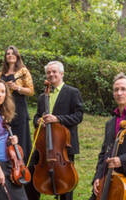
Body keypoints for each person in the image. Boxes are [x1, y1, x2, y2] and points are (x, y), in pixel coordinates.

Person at [28, 61, 84, 200]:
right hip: (44, 146)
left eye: (54, 72)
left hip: (63, 146)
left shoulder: (72, 92)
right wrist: (38, 121)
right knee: (31, 176)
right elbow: (36, 116)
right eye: (48, 72)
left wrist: (58, 119)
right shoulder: (42, 97)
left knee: (65, 184)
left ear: (61, 74)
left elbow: (78, 116)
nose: (51, 74)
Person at [89, 72, 126, 200]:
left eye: (123, 89)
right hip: (110, 179)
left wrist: (122, 160)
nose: (119, 93)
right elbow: (104, 153)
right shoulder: (110, 123)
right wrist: (98, 176)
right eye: (116, 90)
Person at [0, 45, 34, 165]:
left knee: (20, 140)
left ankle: (22, 168)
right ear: (5, 57)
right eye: (8, 54)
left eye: (13, 53)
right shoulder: (2, 72)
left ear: (17, 56)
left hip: (19, 109)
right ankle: (8, 166)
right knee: (5, 139)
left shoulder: (23, 71)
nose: (10, 55)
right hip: (4, 109)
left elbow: (31, 91)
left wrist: (17, 87)